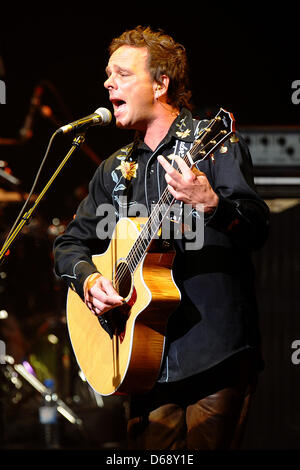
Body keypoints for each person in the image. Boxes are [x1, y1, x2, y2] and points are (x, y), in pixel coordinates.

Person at [53, 25, 269, 450]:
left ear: (160, 83)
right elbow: (68, 245)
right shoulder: (113, 169)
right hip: (140, 365)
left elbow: (257, 228)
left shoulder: (214, 144)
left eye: (122, 74)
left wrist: (213, 205)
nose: (107, 83)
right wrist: (90, 281)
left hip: (215, 356)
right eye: (106, 75)